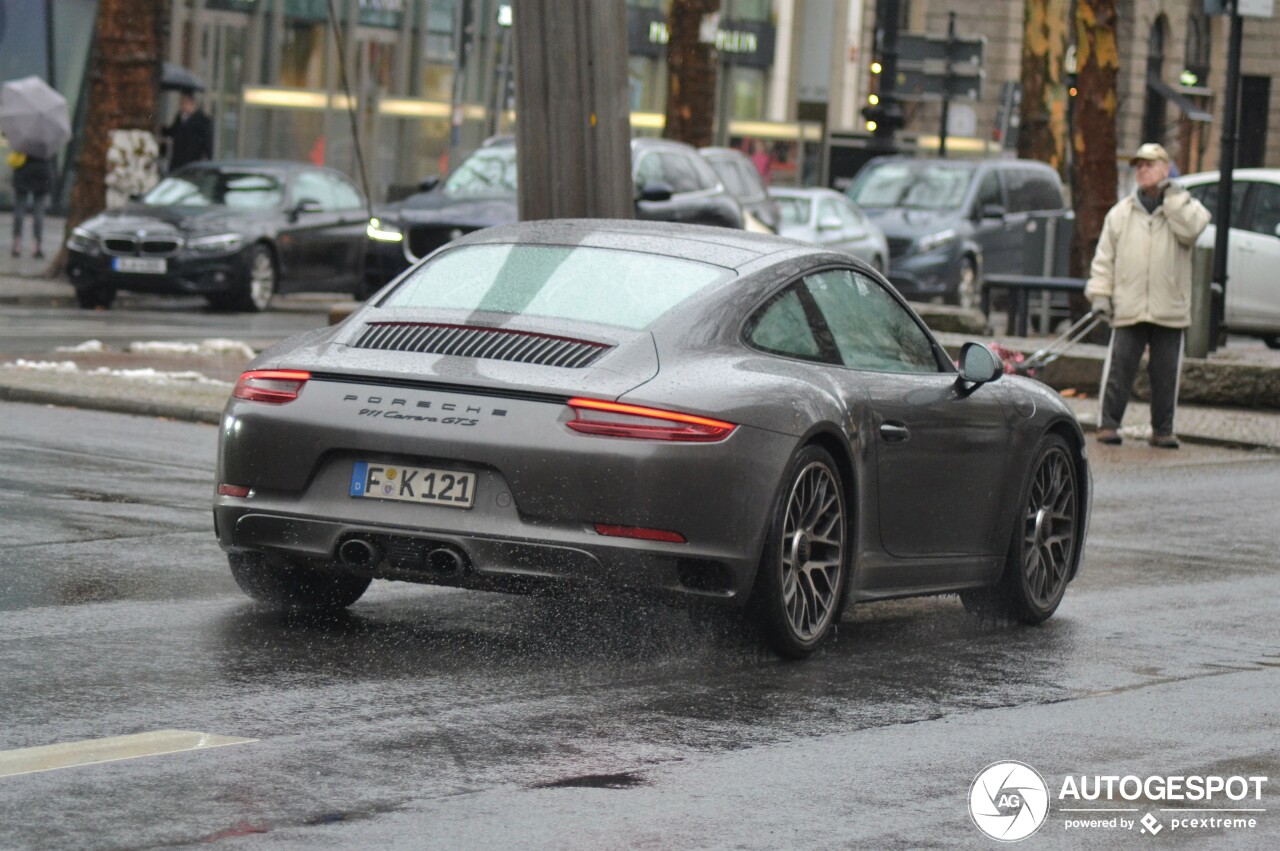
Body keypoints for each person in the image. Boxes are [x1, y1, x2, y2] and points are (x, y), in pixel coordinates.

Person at [1085, 142, 1211, 449]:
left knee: (1165, 375)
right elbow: (1104, 259)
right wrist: (1100, 295)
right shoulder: (1121, 214)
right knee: (1119, 370)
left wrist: (1173, 199)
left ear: (1165, 169)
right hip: (1130, 306)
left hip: (1169, 307)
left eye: (1150, 164)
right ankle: (1108, 425)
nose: (1143, 170)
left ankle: (1162, 430)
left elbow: (1193, 229)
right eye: (1139, 166)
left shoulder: (1183, 208)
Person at [9, 151, 56, 259]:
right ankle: (36, 245)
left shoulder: (24, 136)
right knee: (39, 210)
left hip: (23, 169)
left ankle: (17, 243)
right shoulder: (48, 137)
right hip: (42, 171)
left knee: (20, 207)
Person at [163, 89, 213, 172]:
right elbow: (173, 132)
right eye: (182, 103)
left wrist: (208, 159)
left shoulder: (202, 120)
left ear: (192, 104)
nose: (183, 106)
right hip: (177, 159)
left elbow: (207, 141)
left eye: (186, 103)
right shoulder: (179, 118)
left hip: (192, 159)